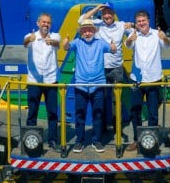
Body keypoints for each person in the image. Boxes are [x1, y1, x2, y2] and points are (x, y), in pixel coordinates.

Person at [78, 2, 134, 139]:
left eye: (109, 13)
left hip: (116, 69)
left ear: (114, 14)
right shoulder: (98, 25)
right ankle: (101, 128)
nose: (107, 15)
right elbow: (81, 20)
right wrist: (97, 8)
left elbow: (133, 32)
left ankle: (117, 128)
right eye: (104, 13)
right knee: (100, 99)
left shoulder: (121, 25)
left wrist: (131, 28)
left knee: (116, 100)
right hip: (100, 69)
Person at [63, 19, 117, 153]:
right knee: (80, 115)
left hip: (98, 85)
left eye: (89, 29)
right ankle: (79, 141)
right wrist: (65, 44)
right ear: (81, 32)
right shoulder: (77, 43)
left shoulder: (100, 43)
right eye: (84, 30)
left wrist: (113, 48)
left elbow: (112, 50)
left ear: (94, 31)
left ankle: (96, 141)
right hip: (80, 84)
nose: (87, 32)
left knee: (98, 115)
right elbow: (67, 47)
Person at [125, 10, 170, 151]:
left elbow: (167, 45)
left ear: (148, 21)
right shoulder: (135, 36)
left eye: (143, 20)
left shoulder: (157, 35)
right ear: (136, 24)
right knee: (135, 111)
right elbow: (127, 45)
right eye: (138, 21)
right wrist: (129, 39)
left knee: (152, 113)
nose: (141, 23)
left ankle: (152, 141)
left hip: (153, 79)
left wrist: (164, 38)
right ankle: (137, 140)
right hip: (137, 80)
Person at [24, 13, 60, 151]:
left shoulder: (55, 36)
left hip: (51, 81)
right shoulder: (30, 36)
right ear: (38, 23)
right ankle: (30, 141)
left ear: (50, 24)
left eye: (48, 22)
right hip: (34, 81)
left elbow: (58, 44)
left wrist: (52, 42)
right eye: (43, 22)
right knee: (32, 112)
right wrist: (29, 39)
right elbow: (25, 43)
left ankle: (52, 140)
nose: (46, 24)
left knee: (52, 113)